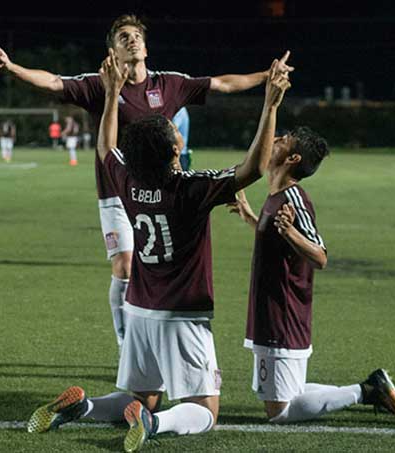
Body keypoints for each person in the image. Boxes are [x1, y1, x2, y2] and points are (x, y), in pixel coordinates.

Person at [26, 52, 291, 452]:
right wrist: (270, 105)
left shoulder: (127, 180)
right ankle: (153, 424)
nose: (174, 126)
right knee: (205, 411)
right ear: (172, 150)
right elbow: (252, 169)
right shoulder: (191, 189)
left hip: (138, 311)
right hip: (181, 314)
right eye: (171, 129)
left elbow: (105, 147)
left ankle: (84, 408)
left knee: (142, 395)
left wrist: (112, 93)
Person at [0, 14, 294, 351]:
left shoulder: (169, 84)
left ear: (145, 47)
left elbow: (222, 83)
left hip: (163, 195)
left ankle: (159, 333)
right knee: (125, 264)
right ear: (112, 53)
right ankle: (125, 342)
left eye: (135, 36)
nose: (131, 40)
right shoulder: (98, 84)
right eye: (122, 37)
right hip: (117, 191)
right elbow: (54, 82)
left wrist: (266, 76)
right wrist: (13, 68)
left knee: (161, 267)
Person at [227, 131, 395, 424]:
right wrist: (251, 217)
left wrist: (290, 231)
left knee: (279, 412)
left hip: (283, 313)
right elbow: (278, 240)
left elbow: (321, 256)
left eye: (282, 140)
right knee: (292, 393)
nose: (274, 138)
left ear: (292, 159)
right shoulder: (277, 195)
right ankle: (372, 388)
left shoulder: (293, 198)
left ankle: (366, 391)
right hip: (273, 309)